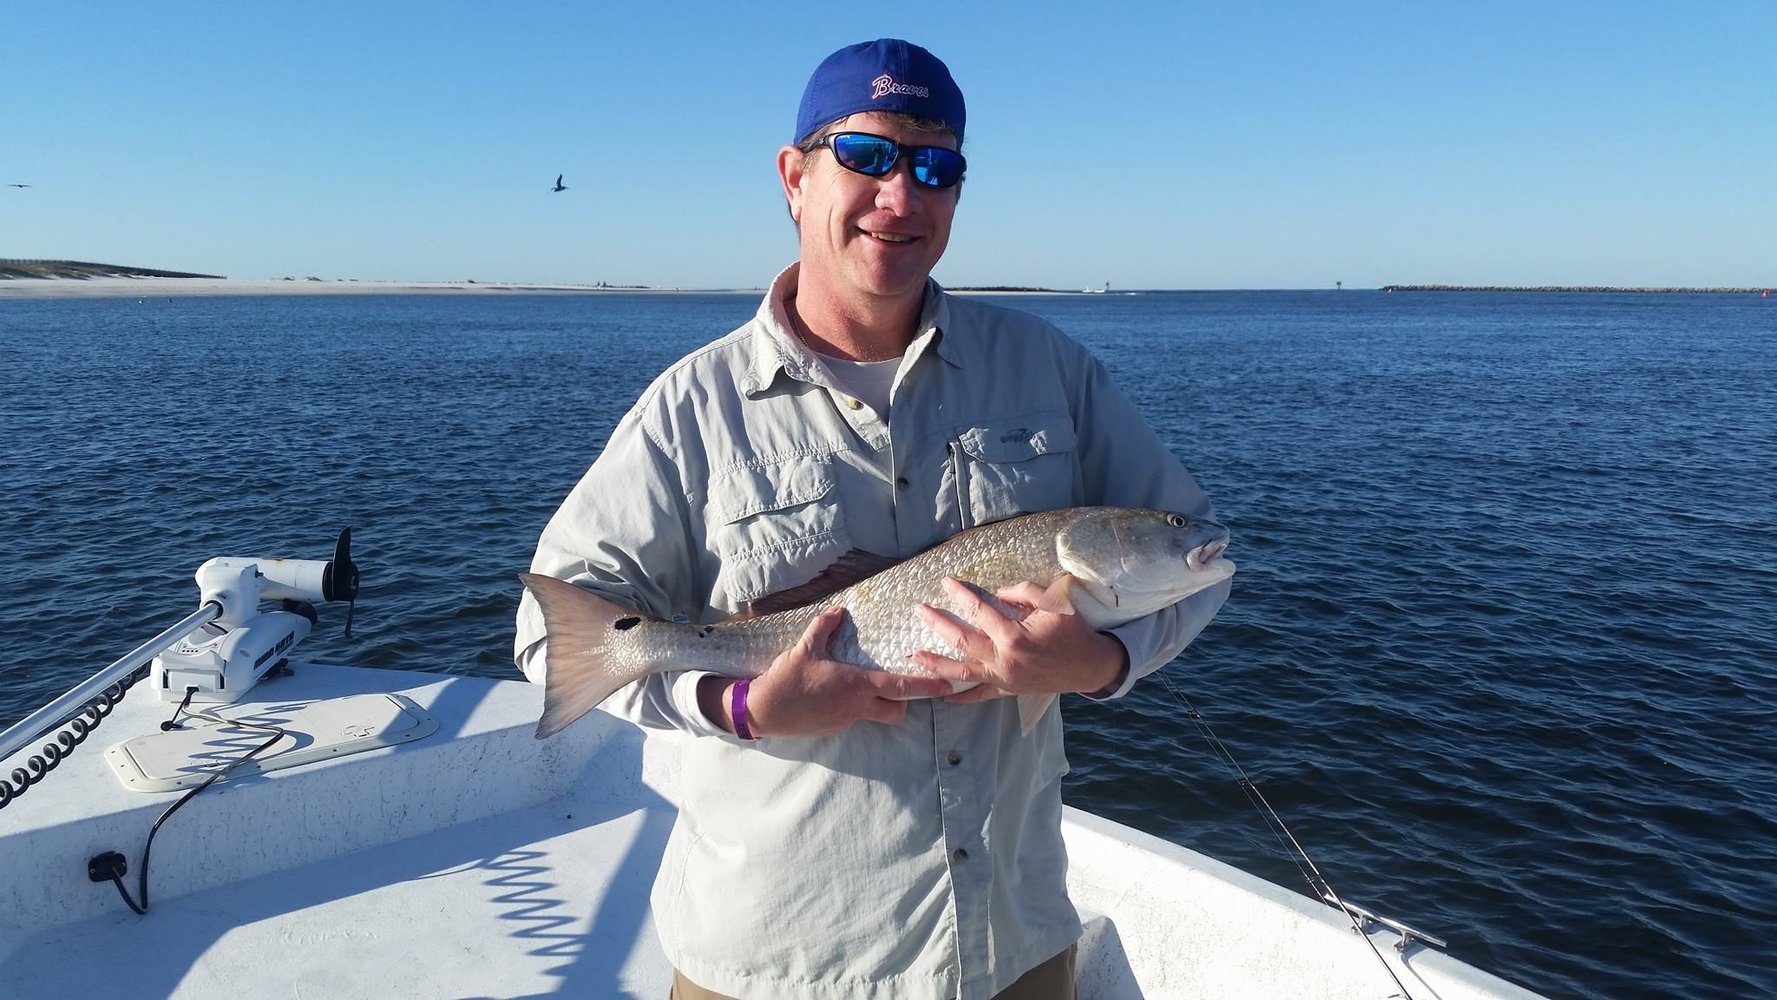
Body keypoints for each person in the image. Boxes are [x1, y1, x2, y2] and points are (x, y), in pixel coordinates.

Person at [515, 38, 1230, 1000]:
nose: (900, 196)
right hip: (776, 959)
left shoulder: (1051, 369)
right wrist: (744, 702)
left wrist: (1097, 663)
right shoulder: (691, 407)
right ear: (793, 178)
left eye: (934, 168)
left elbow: (1197, 549)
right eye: (866, 156)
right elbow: (553, 634)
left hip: (1009, 941)